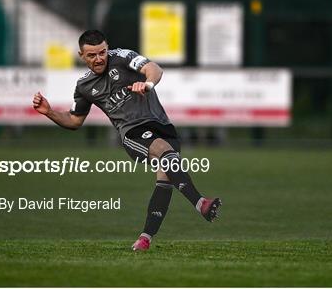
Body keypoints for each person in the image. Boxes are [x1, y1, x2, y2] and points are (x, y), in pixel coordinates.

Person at [32, 30, 221, 251]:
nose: (99, 58)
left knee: (165, 181)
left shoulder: (122, 57)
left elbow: (154, 69)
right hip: (133, 133)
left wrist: (148, 84)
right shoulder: (84, 86)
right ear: (81, 55)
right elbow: (74, 120)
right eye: (92, 55)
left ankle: (145, 238)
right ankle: (201, 204)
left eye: (102, 52)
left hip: (162, 125)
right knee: (164, 150)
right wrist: (49, 112)